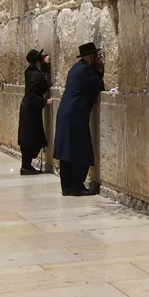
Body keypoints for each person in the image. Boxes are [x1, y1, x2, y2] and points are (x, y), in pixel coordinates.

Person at [54, 43, 104, 195]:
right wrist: (100, 69)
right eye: (96, 56)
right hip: (75, 115)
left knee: (66, 151)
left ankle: (66, 187)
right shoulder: (87, 70)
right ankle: (76, 186)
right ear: (91, 57)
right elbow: (99, 85)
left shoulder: (75, 69)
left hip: (65, 112)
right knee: (81, 150)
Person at [18, 49, 52, 175]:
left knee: (29, 138)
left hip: (28, 109)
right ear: (38, 61)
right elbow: (32, 94)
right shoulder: (36, 75)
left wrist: (44, 65)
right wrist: (45, 102)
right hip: (31, 110)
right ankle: (26, 167)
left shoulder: (30, 72)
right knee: (31, 140)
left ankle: (26, 166)